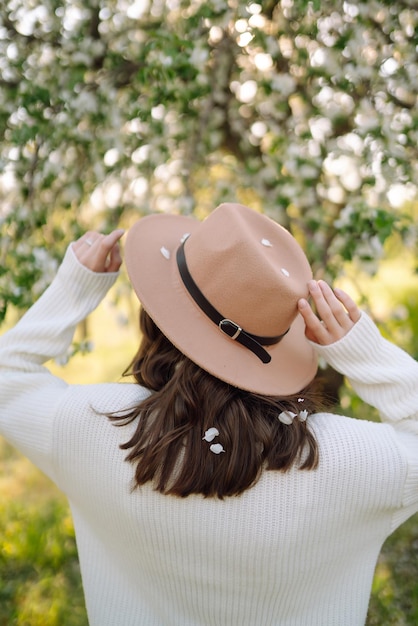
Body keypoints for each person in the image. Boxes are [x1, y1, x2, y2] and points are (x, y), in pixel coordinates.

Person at [0, 202, 417, 626]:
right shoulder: (354, 460)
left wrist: (73, 289)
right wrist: (365, 352)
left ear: (156, 316)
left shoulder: (87, 425)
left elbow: (7, 378)